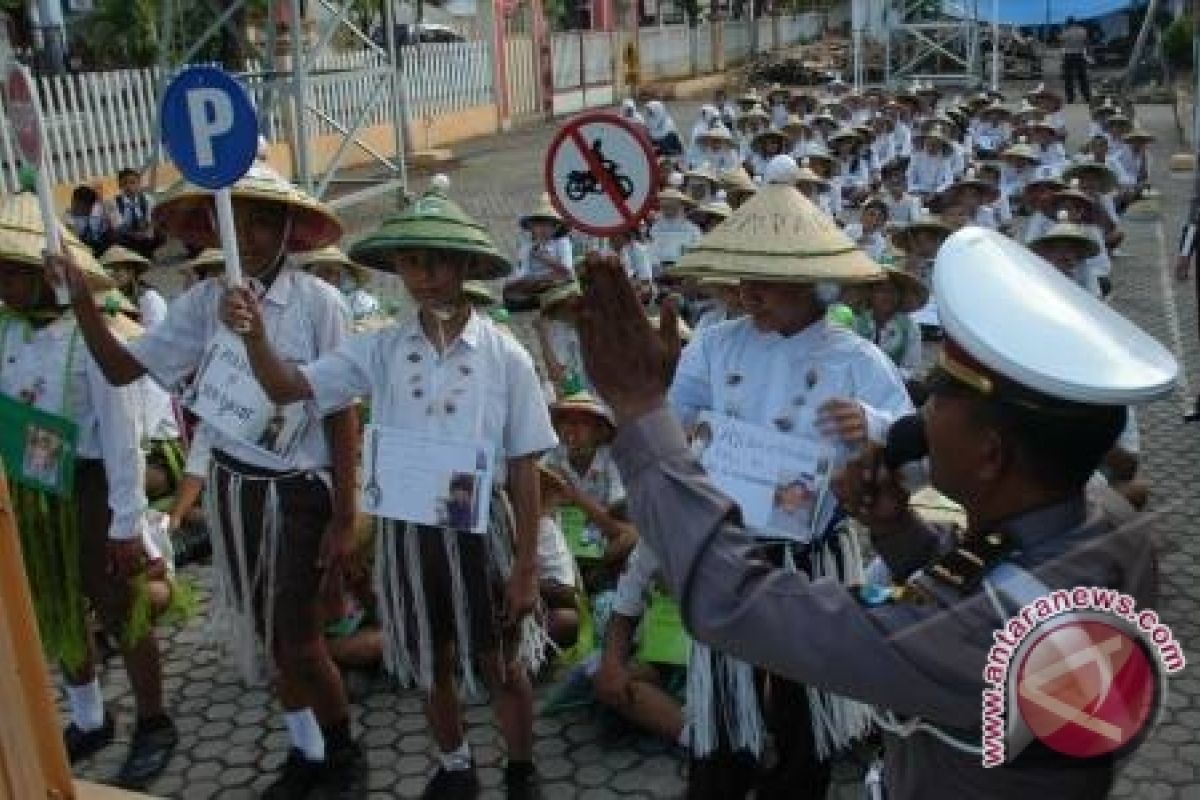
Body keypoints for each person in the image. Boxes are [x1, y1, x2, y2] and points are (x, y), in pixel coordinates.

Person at [572, 224, 1175, 799]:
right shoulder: (1103, 517)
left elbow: (735, 602)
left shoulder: (976, 634)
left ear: (990, 454)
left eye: (935, 399)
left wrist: (640, 408)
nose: (917, 416)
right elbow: (992, 582)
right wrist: (900, 532)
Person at [223, 175, 557, 800]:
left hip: (485, 531)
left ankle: (520, 769)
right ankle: (455, 765)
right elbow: (288, 387)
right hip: (407, 534)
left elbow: (524, 466)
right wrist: (254, 337)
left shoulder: (504, 354)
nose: (423, 275)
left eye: (435, 261)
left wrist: (526, 567)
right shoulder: (379, 349)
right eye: (409, 261)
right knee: (428, 658)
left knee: (502, 662)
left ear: (463, 264)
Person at [49, 160, 365, 798]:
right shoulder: (202, 302)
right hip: (232, 488)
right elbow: (119, 369)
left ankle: (343, 754)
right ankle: (305, 752)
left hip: (299, 492)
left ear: (287, 228)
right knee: (266, 636)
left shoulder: (319, 304)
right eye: (237, 221)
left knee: (301, 641)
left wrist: (344, 516)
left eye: (262, 220)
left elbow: (341, 415)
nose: (247, 235)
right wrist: (83, 300)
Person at [666, 168, 913, 799]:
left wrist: (874, 426)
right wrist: (685, 436)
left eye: (768, 280)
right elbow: (674, 420)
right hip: (730, 549)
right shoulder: (715, 346)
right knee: (724, 714)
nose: (750, 292)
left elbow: (919, 453)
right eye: (745, 276)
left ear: (811, 280)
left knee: (806, 717)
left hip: (812, 556)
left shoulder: (856, 359)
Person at [0, 197, 177, 789]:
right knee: (55, 600)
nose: (4, 283)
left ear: (50, 273)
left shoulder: (95, 334)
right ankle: (89, 716)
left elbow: (124, 435)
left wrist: (127, 521)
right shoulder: (7, 332)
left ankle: (154, 721)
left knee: (118, 605)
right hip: (31, 491)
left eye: (13, 270)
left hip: (92, 489)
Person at [854, 267, 926, 386]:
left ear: (900, 296)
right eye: (881, 290)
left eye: (893, 291)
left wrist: (886, 381)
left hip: (893, 386)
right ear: (870, 294)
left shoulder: (909, 327)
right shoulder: (856, 320)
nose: (887, 296)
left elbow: (910, 367)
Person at [504, 193, 575, 311]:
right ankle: (542, 300)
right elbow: (523, 272)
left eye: (548, 226)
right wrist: (529, 281)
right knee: (509, 291)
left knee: (566, 285)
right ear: (532, 227)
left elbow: (567, 271)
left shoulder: (562, 242)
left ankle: (545, 300)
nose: (543, 230)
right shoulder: (527, 245)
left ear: (556, 227)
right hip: (536, 284)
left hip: (559, 282)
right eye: (539, 226)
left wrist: (545, 258)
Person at [100, 245, 168, 329]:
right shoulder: (112, 297)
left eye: (116, 270)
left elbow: (155, 331)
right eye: (107, 271)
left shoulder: (150, 299)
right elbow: (111, 323)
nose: (110, 275)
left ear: (130, 272)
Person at [108, 168, 165, 260]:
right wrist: (134, 234)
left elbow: (153, 218)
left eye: (132, 182)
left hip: (144, 231)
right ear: (120, 186)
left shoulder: (148, 199)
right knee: (115, 237)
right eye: (124, 183)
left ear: (139, 183)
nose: (129, 186)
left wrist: (149, 230)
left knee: (161, 232)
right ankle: (135, 254)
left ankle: (146, 251)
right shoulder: (114, 203)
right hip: (127, 234)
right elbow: (117, 226)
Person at [65, 185, 113, 257]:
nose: (87, 210)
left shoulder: (97, 212)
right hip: (82, 249)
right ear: (74, 202)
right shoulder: (68, 218)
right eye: (81, 206)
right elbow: (73, 240)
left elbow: (108, 228)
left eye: (89, 207)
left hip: (101, 244)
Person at [1061, 17, 1092, 105]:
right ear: (1075, 23)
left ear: (1068, 23)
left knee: (1068, 78)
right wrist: (1088, 54)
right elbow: (1086, 42)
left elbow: (1062, 42)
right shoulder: (1083, 31)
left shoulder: (1065, 32)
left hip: (1068, 56)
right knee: (1082, 77)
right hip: (1080, 55)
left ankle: (1070, 98)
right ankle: (1087, 97)